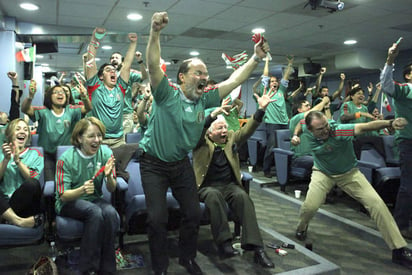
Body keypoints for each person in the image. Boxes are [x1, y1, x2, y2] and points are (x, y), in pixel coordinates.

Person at [141, 11, 269, 275]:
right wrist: (155, 31)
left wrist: (256, 57)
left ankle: (188, 258)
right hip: (153, 164)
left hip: (180, 164)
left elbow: (235, 80)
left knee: (193, 212)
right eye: (198, 73)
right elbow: (153, 66)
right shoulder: (167, 94)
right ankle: (160, 266)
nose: (204, 77)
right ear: (182, 77)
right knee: (157, 218)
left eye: (206, 74)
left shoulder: (205, 99)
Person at [294, 110, 412, 269]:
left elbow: (365, 127)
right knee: (310, 206)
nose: (325, 130)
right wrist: (295, 135)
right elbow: (299, 125)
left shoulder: (339, 130)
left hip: (349, 173)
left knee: (377, 204)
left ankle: (399, 249)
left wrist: (389, 123)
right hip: (322, 172)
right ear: (310, 130)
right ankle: (302, 228)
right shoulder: (306, 126)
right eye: (320, 129)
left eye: (326, 126)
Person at [192, 90, 275, 268]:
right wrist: (211, 117)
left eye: (225, 127)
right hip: (206, 187)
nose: (224, 131)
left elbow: (247, 130)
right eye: (219, 128)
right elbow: (198, 132)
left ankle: (257, 248)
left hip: (229, 185)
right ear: (209, 132)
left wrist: (260, 110)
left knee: (243, 197)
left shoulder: (230, 138)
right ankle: (224, 243)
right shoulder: (200, 142)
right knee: (214, 196)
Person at [55, 117, 118, 274]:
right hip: (68, 202)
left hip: (93, 199)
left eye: (99, 135)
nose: (97, 140)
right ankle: (87, 269)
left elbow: (111, 188)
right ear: (79, 138)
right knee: (94, 212)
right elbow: (63, 195)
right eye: (91, 136)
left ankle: (107, 269)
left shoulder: (106, 153)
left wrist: (109, 177)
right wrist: (82, 190)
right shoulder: (66, 159)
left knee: (110, 213)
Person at [21, 82, 91, 182]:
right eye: (56, 92)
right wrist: (30, 96)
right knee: (50, 184)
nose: (60, 94)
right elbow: (25, 109)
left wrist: (84, 97)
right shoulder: (43, 111)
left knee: (66, 181)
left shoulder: (71, 110)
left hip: (67, 154)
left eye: (62, 92)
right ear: (49, 97)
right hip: (47, 155)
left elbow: (88, 108)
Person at [380, 38, 412, 240]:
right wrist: (390, 59)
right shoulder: (405, 90)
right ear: (409, 75)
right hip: (408, 142)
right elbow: (386, 84)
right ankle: (400, 225)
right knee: (408, 185)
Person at [85, 27, 137, 148]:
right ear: (101, 76)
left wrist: (133, 44)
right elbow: (90, 62)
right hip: (99, 140)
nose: (113, 72)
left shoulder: (120, 88)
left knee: (119, 167)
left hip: (118, 140)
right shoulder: (95, 87)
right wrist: (94, 39)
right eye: (108, 70)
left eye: (114, 70)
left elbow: (127, 66)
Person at [0, 118, 44, 228]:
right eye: (18, 129)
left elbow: (33, 179)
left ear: (28, 136)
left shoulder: (35, 154)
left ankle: (5, 218)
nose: (22, 132)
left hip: (25, 204)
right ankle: (17, 221)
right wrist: (5, 160)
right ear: (10, 134)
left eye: (25, 130)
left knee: (32, 183)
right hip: (4, 203)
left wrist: (18, 161)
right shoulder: (1, 153)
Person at [256, 55, 294, 178]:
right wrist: (266, 61)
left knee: (285, 147)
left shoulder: (281, 91)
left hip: (284, 123)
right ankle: (266, 169)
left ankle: (282, 170)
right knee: (271, 147)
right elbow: (265, 76)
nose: (274, 83)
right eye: (271, 81)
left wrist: (289, 65)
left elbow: (286, 77)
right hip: (272, 123)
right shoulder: (265, 91)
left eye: (275, 81)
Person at [110, 50, 148, 135]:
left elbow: (144, 76)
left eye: (116, 58)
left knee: (123, 144)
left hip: (125, 114)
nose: (114, 59)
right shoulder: (107, 74)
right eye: (112, 58)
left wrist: (140, 61)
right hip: (110, 113)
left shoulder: (129, 73)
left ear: (122, 62)